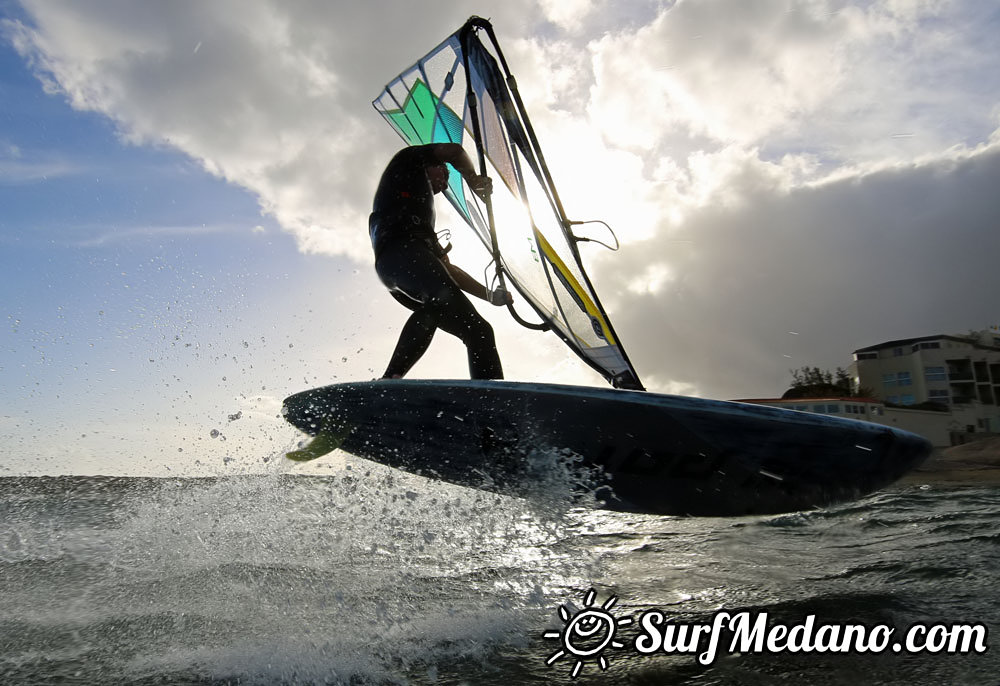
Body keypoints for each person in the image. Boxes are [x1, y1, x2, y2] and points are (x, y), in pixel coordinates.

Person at [369, 143, 512, 380]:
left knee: (479, 331)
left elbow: (450, 271)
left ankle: (489, 402)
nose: (445, 184)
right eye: (444, 174)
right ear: (431, 164)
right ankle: (391, 378)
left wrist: (489, 295)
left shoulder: (425, 227)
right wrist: (473, 179)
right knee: (438, 298)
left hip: (408, 264)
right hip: (399, 253)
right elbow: (455, 151)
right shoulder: (407, 162)